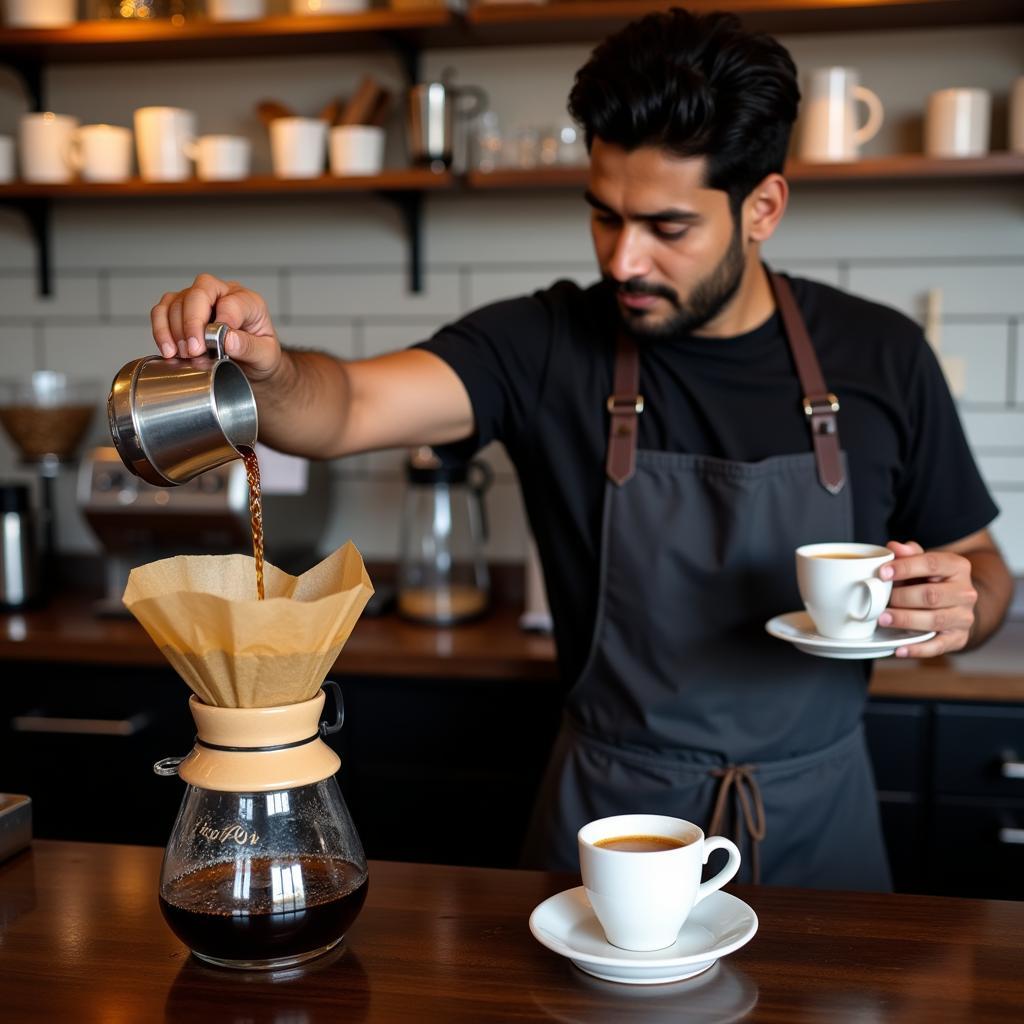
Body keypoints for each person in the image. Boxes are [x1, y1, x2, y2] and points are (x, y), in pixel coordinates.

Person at [149, 9, 1013, 889]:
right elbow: (343, 411)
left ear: (763, 207)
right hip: (609, 823)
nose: (625, 259)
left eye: (667, 228)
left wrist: (959, 604)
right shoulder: (548, 343)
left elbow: (984, 566)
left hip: (820, 822)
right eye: (604, 216)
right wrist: (272, 363)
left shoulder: (881, 354)